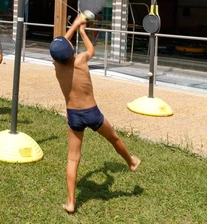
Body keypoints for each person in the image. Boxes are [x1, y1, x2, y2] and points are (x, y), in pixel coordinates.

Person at [49, 16, 140, 214]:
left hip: (73, 116)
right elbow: (92, 50)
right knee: (114, 139)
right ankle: (131, 162)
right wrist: (82, 31)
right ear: (72, 50)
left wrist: (72, 27)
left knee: (73, 159)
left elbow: (59, 49)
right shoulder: (81, 60)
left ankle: (71, 202)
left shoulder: (57, 67)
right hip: (92, 113)